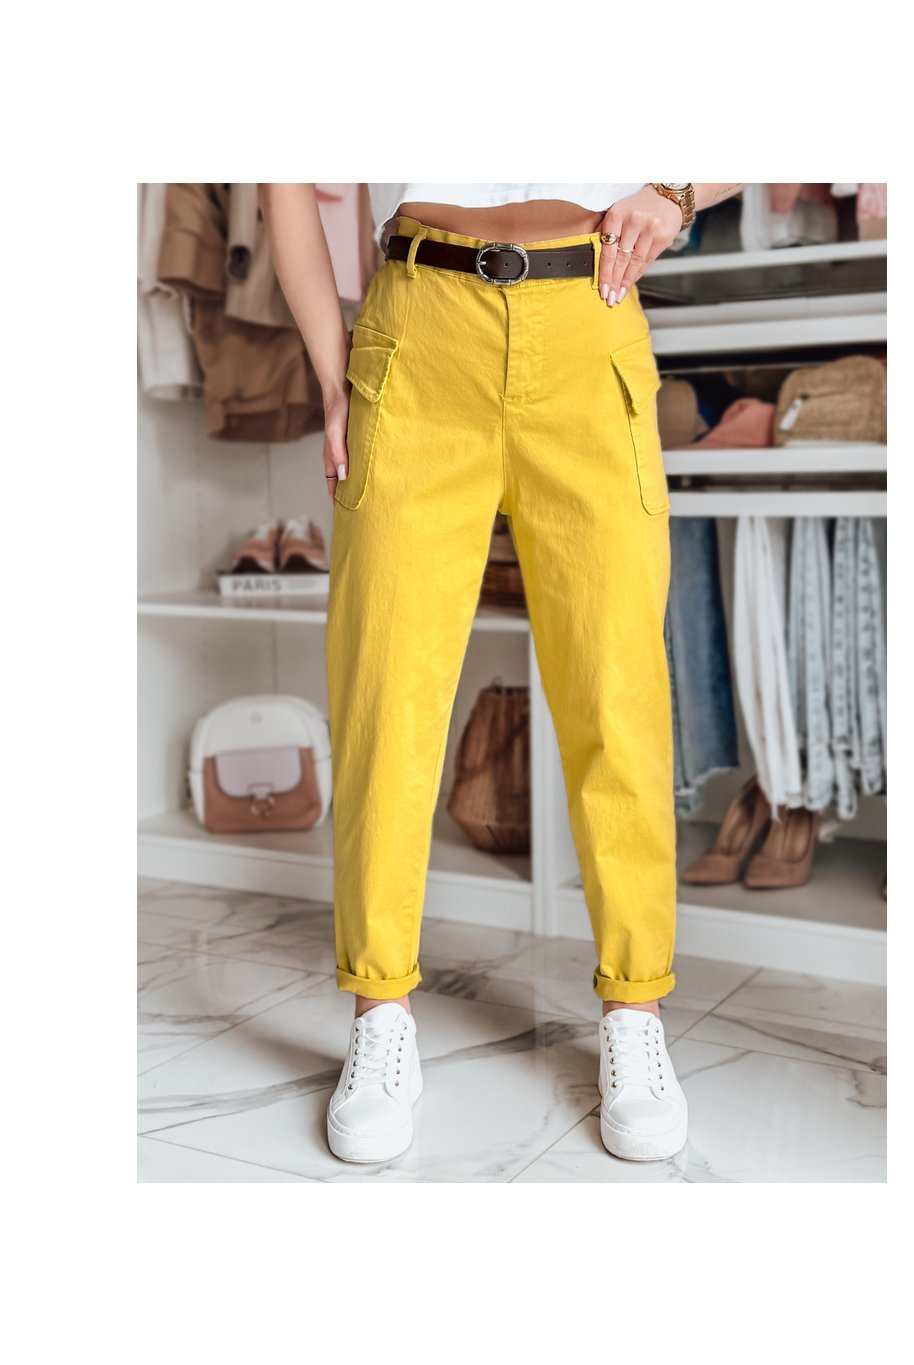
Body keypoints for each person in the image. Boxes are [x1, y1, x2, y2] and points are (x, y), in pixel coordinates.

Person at [261, 182, 746, 1165]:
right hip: (416, 330)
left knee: (615, 693)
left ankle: (634, 1015)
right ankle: (379, 1013)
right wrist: (330, 373)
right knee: (384, 694)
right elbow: (283, 178)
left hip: (588, 317)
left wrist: (679, 191)